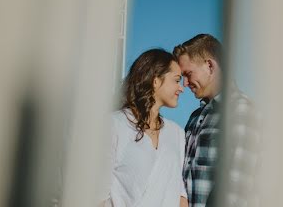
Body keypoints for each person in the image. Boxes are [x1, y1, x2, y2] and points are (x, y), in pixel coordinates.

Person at [175, 34, 259, 207]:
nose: (185, 83)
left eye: (188, 74)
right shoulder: (194, 118)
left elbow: (237, 188)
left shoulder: (241, 110)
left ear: (210, 66)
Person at [105, 48, 189, 207]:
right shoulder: (114, 125)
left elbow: (181, 195)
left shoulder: (176, 133)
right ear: (155, 80)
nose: (181, 88)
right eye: (176, 80)